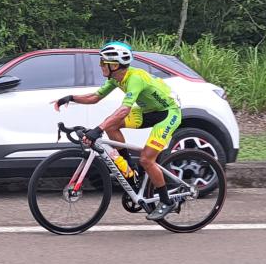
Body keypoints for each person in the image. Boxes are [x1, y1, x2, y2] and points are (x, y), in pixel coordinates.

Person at [53, 41, 181, 221]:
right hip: (150, 111)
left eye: (102, 63)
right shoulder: (116, 78)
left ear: (115, 65)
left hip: (168, 114)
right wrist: (71, 98)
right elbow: (95, 97)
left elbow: (124, 110)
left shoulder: (135, 78)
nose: (100, 66)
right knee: (113, 126)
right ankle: (130, 170)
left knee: (146, 159)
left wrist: (98, 129)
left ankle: (167, 201)